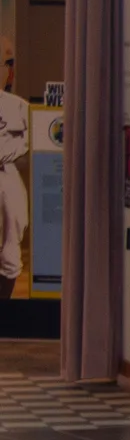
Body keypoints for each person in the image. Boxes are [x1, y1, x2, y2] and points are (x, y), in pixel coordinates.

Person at [0, 81, 27, 315]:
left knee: (14, 230)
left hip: (6, 172)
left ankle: (5, 308)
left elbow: (36, 133)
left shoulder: (15, 105)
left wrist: (16, 150)